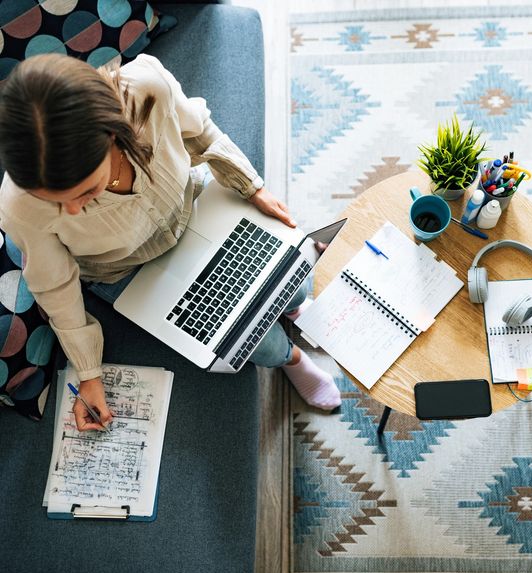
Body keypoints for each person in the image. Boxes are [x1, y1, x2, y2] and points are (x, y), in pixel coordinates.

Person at [0, 54, 341, 431]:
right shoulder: (19, 207)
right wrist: (89, 373)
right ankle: (291, 359)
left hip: (194, 206)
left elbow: (200, 132)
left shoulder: (148, 88)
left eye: (86, 192)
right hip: (125, 271)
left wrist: (252, 187)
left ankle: (293, 307)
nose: (73, 213)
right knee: (249, 341)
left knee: (294, 280)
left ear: (112, 134)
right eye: (56, 201)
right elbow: (55, 286)